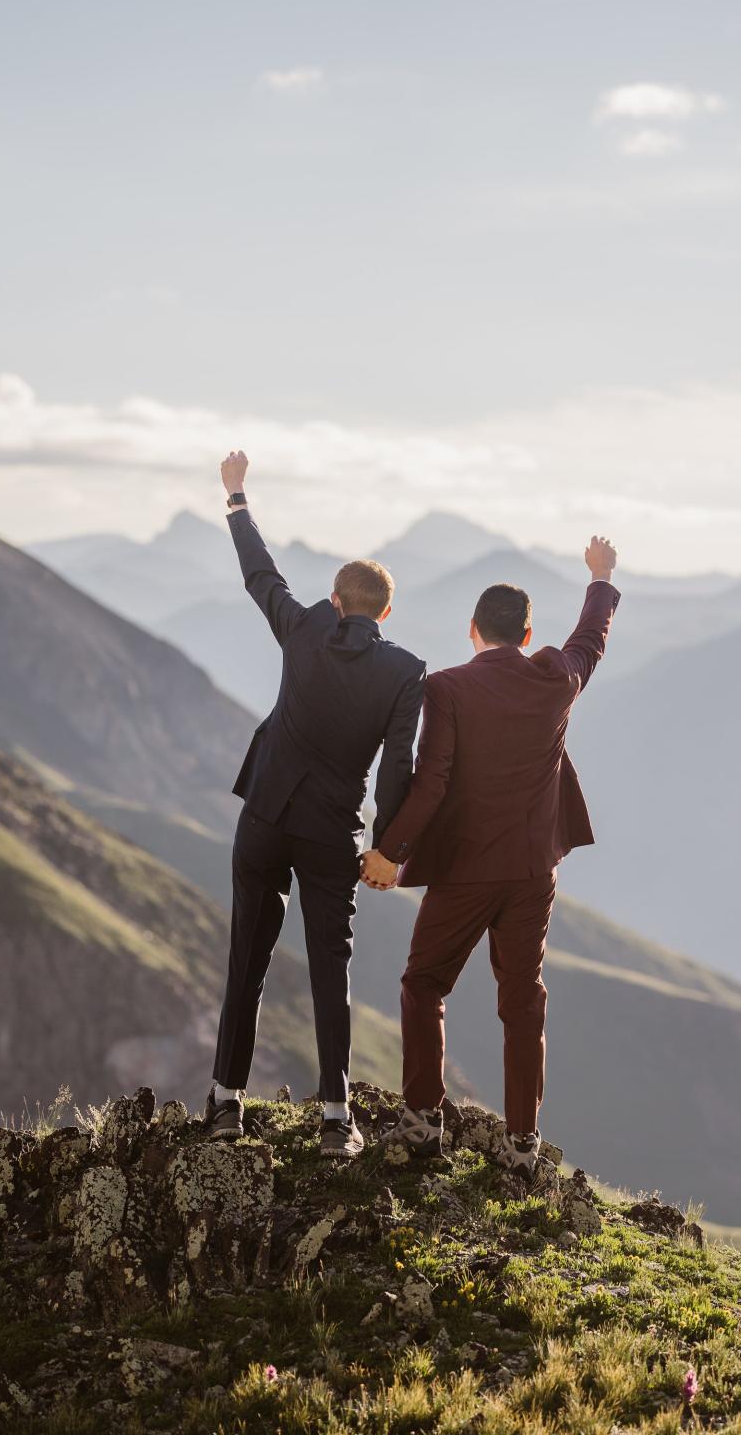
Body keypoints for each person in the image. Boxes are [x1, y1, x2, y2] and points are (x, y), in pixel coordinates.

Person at [360, 536, 620, 1176]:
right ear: (528, 632)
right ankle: (524, 1141)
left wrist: (389, 853)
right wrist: (601, 578)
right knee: (522, 999)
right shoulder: (556, 675)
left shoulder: (446, 689)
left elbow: (433, 782)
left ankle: (423, 1121)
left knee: (424, 984)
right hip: (534, 873)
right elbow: (591, 638)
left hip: (466, 873)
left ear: (471, 629)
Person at [204, 451, 426, 1157]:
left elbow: (258, 573)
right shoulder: (404, 672)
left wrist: (237, 497)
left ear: (335, 601)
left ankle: (225, 1105)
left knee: (248, 958)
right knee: (332, 968)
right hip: (332, 834)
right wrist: (387, 846)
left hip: (265, 819)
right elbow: (398, 768)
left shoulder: (301, 629)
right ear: (385, 612)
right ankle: (336, 1120)